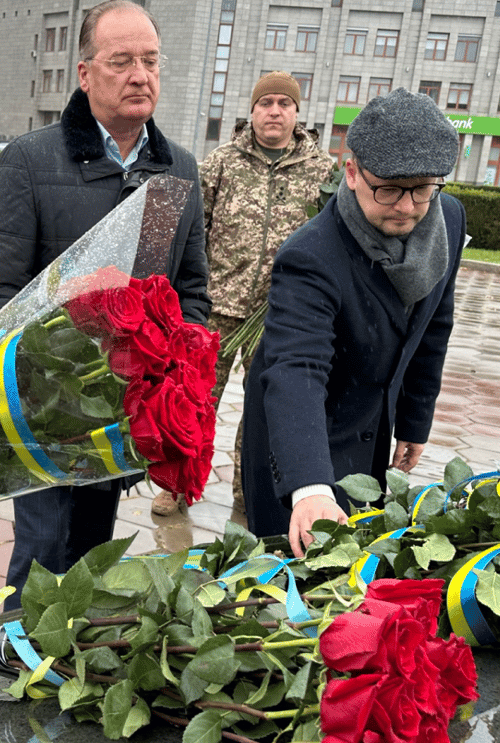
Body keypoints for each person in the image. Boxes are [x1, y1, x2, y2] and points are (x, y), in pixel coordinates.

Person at [0, 0, 210, 609]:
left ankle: (66, 671)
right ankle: (15, 663)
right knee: (42, 558)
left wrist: (171, 375)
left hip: (122, 415)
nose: (140, 75)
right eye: (121, 60)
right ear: (84, 73)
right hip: (44, 414)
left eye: (151, 61)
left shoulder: (175, 170)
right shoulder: (29, 161)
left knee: (90, 559)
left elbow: (189, 292)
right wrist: (41, 387)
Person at [240, 89, 466, 558]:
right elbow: (296, 369)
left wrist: (414, 421)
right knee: (292, 578)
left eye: (422, 189)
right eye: (387, 189)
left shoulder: (446, 218)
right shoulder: (311, 255)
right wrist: (310, 487)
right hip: (302, 436)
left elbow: (433, 326)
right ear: (351, 172)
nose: (406, 206)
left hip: (372, 425)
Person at [170, 71, 335, 523]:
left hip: (279, 315)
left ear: (297, 113)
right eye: (266, 103)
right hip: (217, 308)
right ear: (252, 111)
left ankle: (249, 494)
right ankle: (176, 486)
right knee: (196, 400)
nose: (275, 111)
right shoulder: (222, 162)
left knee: (264, 413)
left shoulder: (323, 172)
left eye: (284, 103)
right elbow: (192, 231)